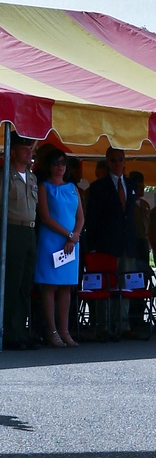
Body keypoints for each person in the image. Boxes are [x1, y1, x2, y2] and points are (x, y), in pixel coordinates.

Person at [83, 147, 137, 338]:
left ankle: (123, 325)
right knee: (105, 285)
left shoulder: (131, 186)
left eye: (119, 159)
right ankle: (103, 326)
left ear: (124, 162)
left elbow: (131, 218)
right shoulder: (99, 187)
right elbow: (92, 219)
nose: (116, 163)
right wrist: (94, 246)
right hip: (106, 244)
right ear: (108, 162)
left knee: (125, 284)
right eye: (113, 160)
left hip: (126, 244)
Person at [33, 150, 84, 348]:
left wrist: (75, 236)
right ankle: (52, 331)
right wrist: (69, 235)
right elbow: (45, 217)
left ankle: (65, 331)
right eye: (55, 163)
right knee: (48, 285)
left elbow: (80, 217)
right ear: (49, 166)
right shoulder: (43, 187)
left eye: (63, 162)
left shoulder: (73, 188)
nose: (60, 166)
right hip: (52, 240)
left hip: (71, 243)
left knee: (66, 286)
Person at [3, 134, 39, 350]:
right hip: (12, 229)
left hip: (30, 231)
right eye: (24, 147)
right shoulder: (6, 176)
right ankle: (8, 331)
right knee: (12, 283)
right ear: (13, 151)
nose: (29, 151)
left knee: (26, 284)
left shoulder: (32, 178)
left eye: (30, 147)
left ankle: (20, 331)